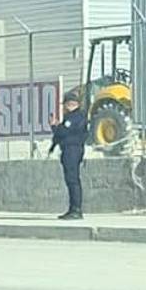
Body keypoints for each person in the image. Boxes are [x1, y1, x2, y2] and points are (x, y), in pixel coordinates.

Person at [50, 91, 88, 220]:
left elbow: (63, 132)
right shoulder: (72, 117)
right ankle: (73, 209)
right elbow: (60, 135)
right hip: (69, 150)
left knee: (73, 180)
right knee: (70, 180)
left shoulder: (76, 116)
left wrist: (55, 126)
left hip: (73, 150)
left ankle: (76, 209)